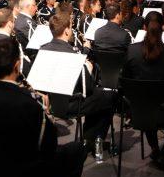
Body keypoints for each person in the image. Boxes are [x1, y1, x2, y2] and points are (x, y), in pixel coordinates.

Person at [0, 39, 87, 177]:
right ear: (17, 65)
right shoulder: (30, 102)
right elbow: (48, 147)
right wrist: (46, 117)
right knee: (77, 149)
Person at [40, 13, 114, 149]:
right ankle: (92, 141)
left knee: (100, 98)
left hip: (52, 104)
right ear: (67, 31)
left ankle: (89, 138)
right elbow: (89, 87)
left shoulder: (43, 49)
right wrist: (89, 68)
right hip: (72, 104)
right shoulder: (72, 53)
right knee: (109, 97)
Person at [121, 13, 164, 169]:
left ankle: (154, 147)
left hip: (139, 114)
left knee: (146, 98)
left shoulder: (131, 51)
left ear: (144, 28)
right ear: (163, 27)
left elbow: (125, 81)